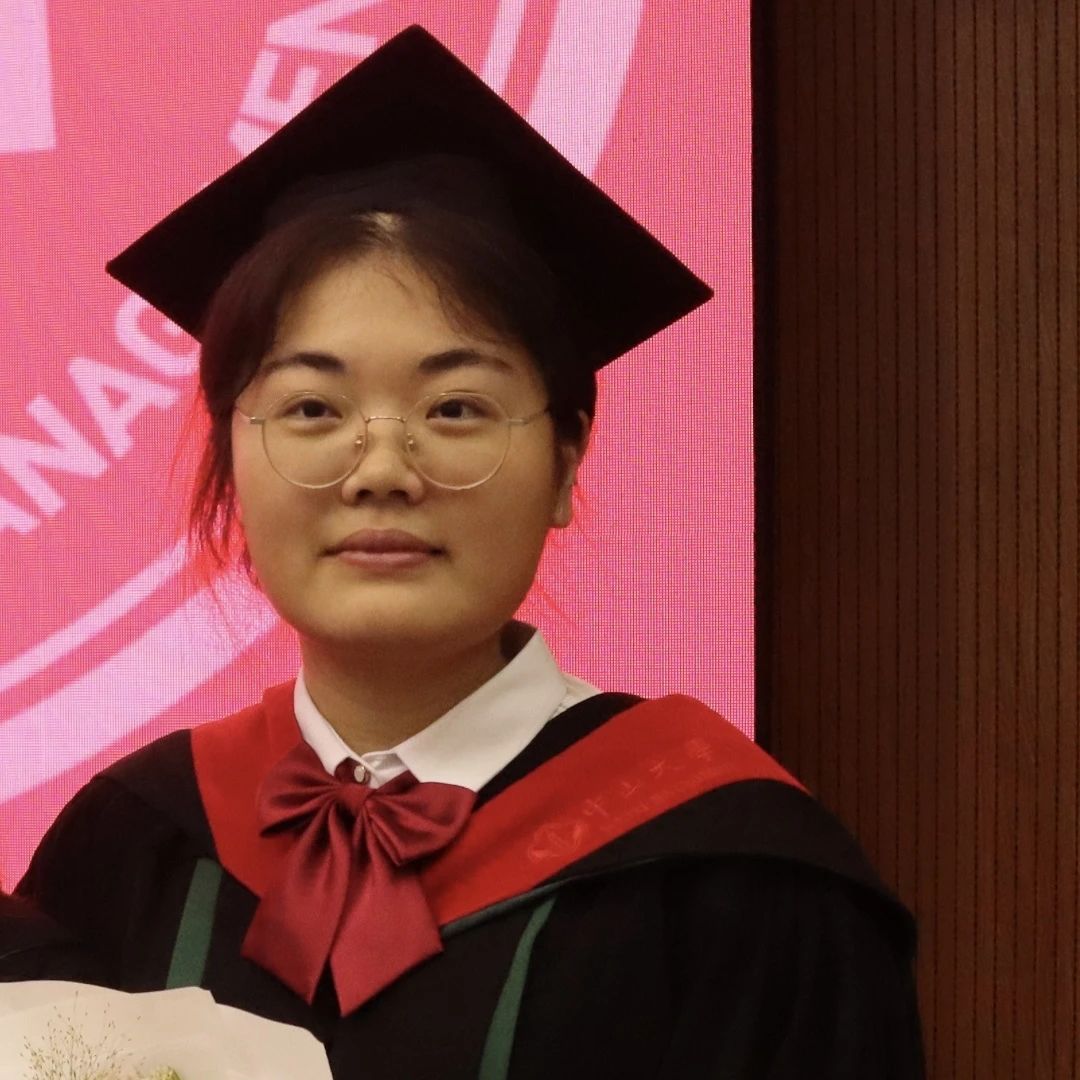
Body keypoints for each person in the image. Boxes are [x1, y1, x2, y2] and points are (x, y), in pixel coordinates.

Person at [17, 26, 924, 1078]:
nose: (381, 469)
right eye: (311, 408)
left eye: (455, 408)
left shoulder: (741, 883)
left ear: (567, 461)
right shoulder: (132, 847)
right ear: (232, 455)